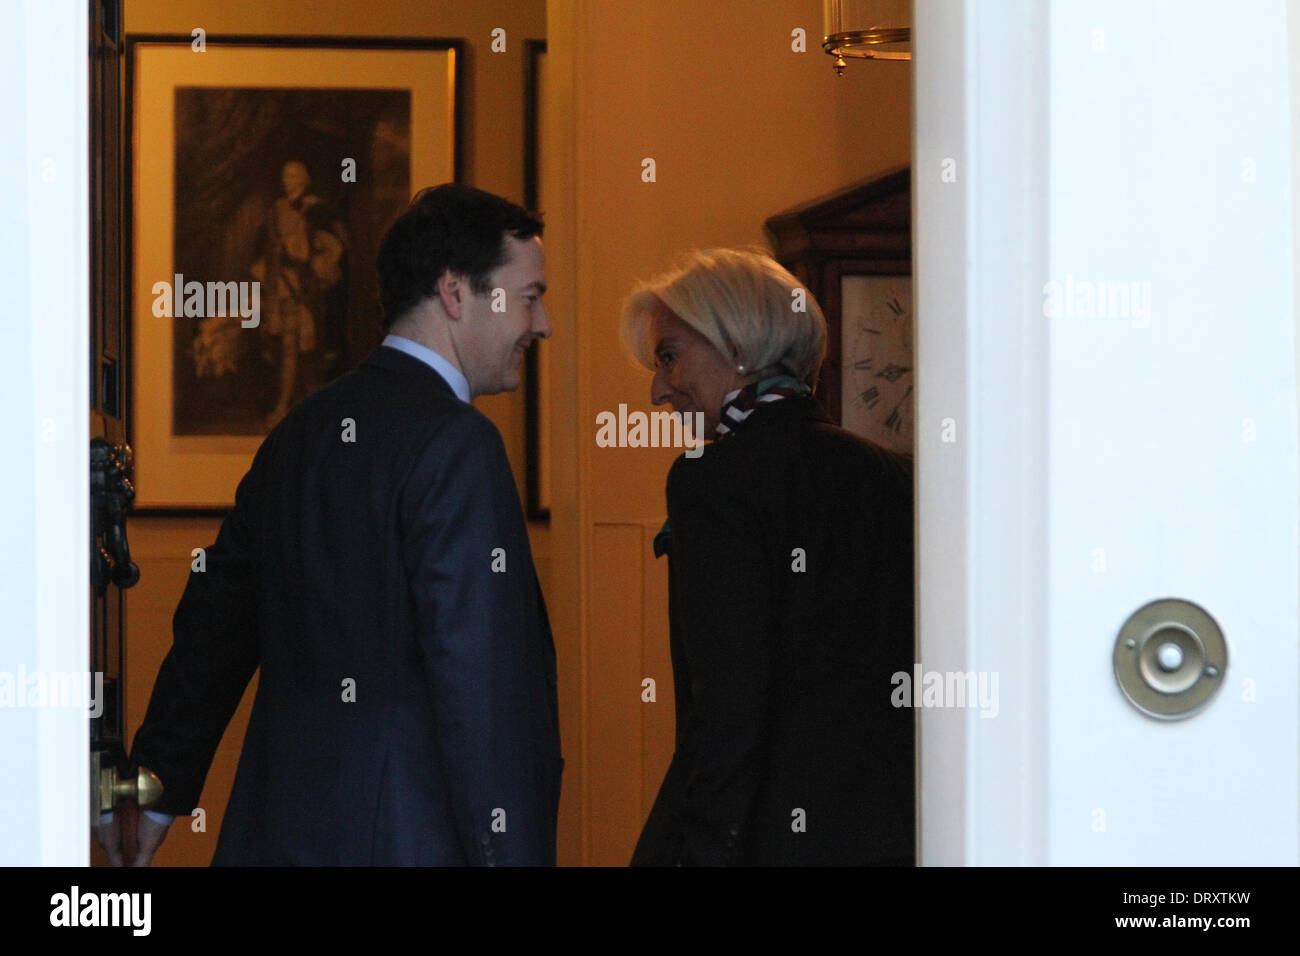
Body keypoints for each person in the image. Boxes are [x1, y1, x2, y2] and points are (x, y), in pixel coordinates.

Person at [104, 184, 561, 866]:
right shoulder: (459, 445)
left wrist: (153, 792)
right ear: (456, 292)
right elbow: (482, 698)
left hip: (272, 838)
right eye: (530, 296)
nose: (544, 323)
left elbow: (214, 628)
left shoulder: (300, 431)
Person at [620, 248, 914, 866]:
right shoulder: (896, 476)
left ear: (740, 348)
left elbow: (728, 700)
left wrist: (702, 849)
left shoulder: (713, 479)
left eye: (669, 355)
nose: (656, 391)